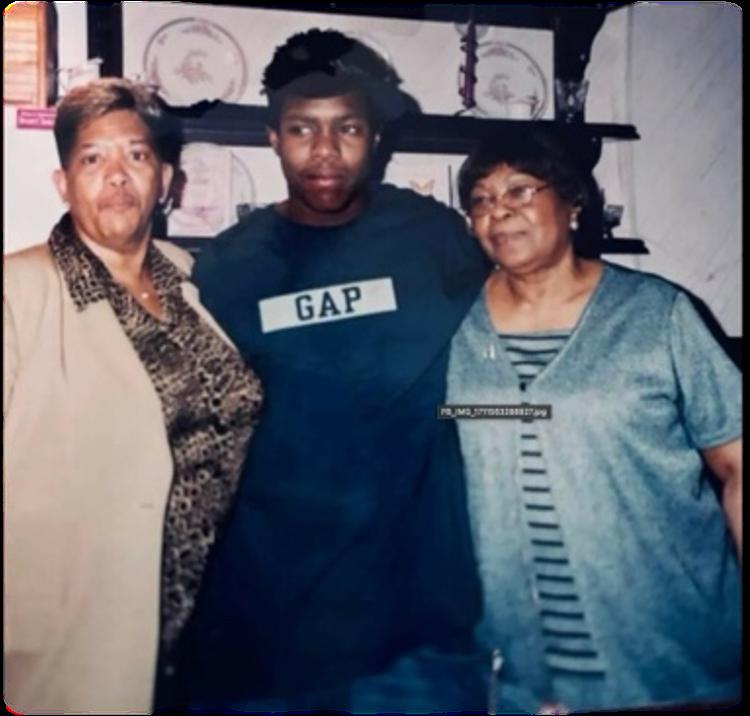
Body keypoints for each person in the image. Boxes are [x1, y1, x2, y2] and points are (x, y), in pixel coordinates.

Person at [178, 29, 492, 712]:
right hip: (271, 625)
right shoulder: (229, 267)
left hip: (418, 623)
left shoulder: (433, 238)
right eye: (303, 129)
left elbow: (510, 354)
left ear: (375, 136)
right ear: (273, 137)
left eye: (347, 127)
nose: (325, 151)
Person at [447, 127, 742, 712]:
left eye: (520, 190)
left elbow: (737, 464)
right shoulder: (452, 326)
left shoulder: (657, 316)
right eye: (480, 200)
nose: (498, 211)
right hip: (515, 676)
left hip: (671, 664)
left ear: (574, 204)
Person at [3, 78, 263, 714]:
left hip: (206, 631)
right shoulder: (18, 292)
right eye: (93, 158)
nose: (117, 176)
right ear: (63, 183)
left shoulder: (191, 279)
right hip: (77, 631)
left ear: (166, 180)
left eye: (137, 155)